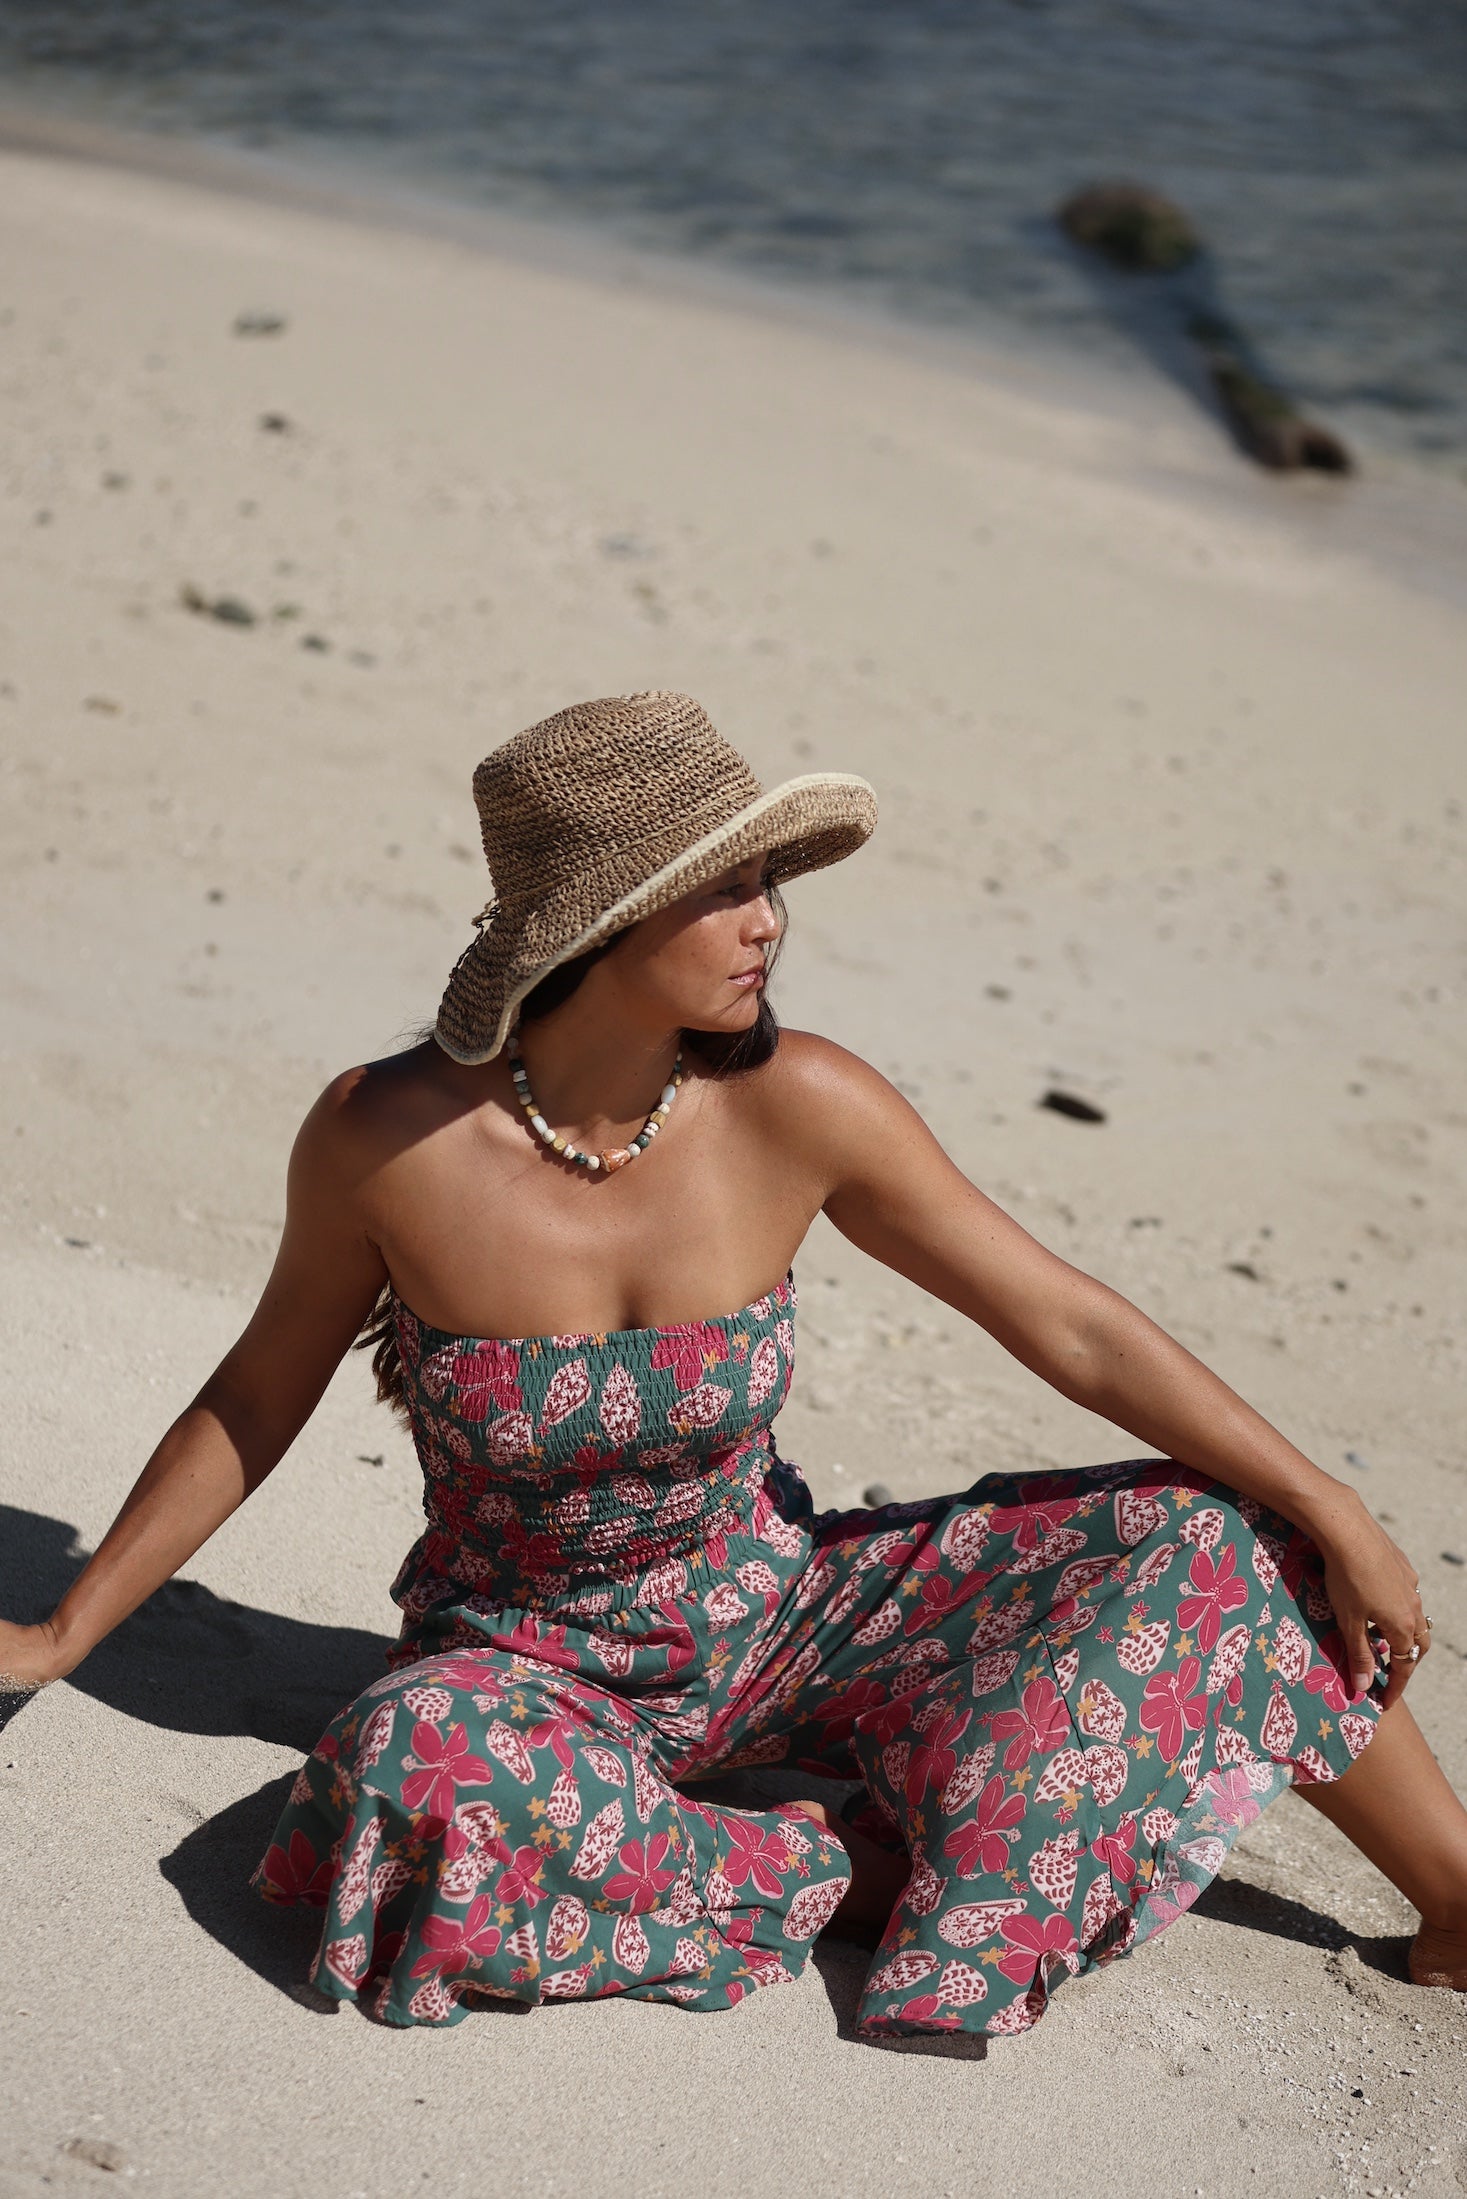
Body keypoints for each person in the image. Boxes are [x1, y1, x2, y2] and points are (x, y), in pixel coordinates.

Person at [4, 689, 1463, 2046]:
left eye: (772, 884)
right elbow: (258, 1393)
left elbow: (1066, 1326)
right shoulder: (386, 1141)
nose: (771, 922)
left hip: (790, 1611)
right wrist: (68, 1633)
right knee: (413, 1762)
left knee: (1229, 1538)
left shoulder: (800, 1102)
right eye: (731, 887)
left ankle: (1459, 1901)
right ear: (604, 920)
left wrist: (1333, 1506)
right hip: (529, 1665)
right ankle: (842, 1867)